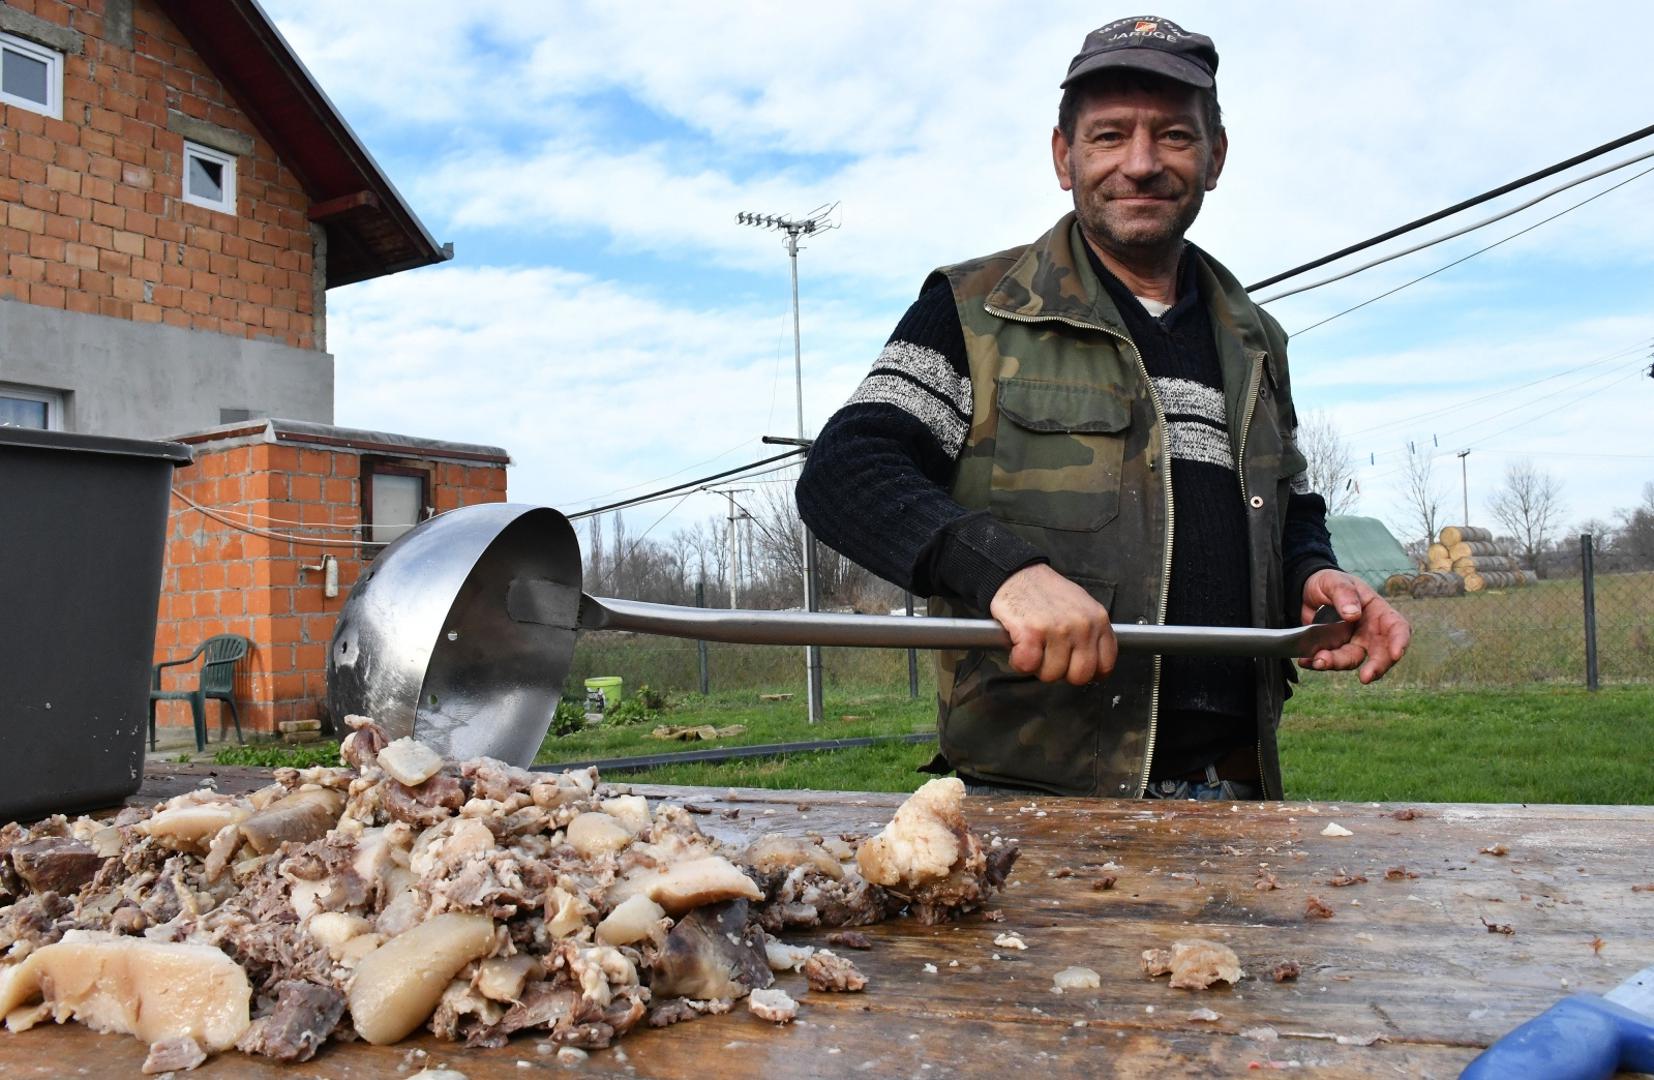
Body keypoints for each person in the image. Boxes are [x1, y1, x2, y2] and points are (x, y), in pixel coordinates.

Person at [796, 16, 1410, 801]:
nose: (1142, 164)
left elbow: (1285, 504)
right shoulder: (978, 310)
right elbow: (846, 471)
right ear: (1065, 157)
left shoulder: (1256, 338)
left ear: (1216, 156)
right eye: (1110, 136)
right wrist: (1006, 574)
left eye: (1175, 137)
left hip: (1239, 789)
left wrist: (1313, 574)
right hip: (1033, 798)